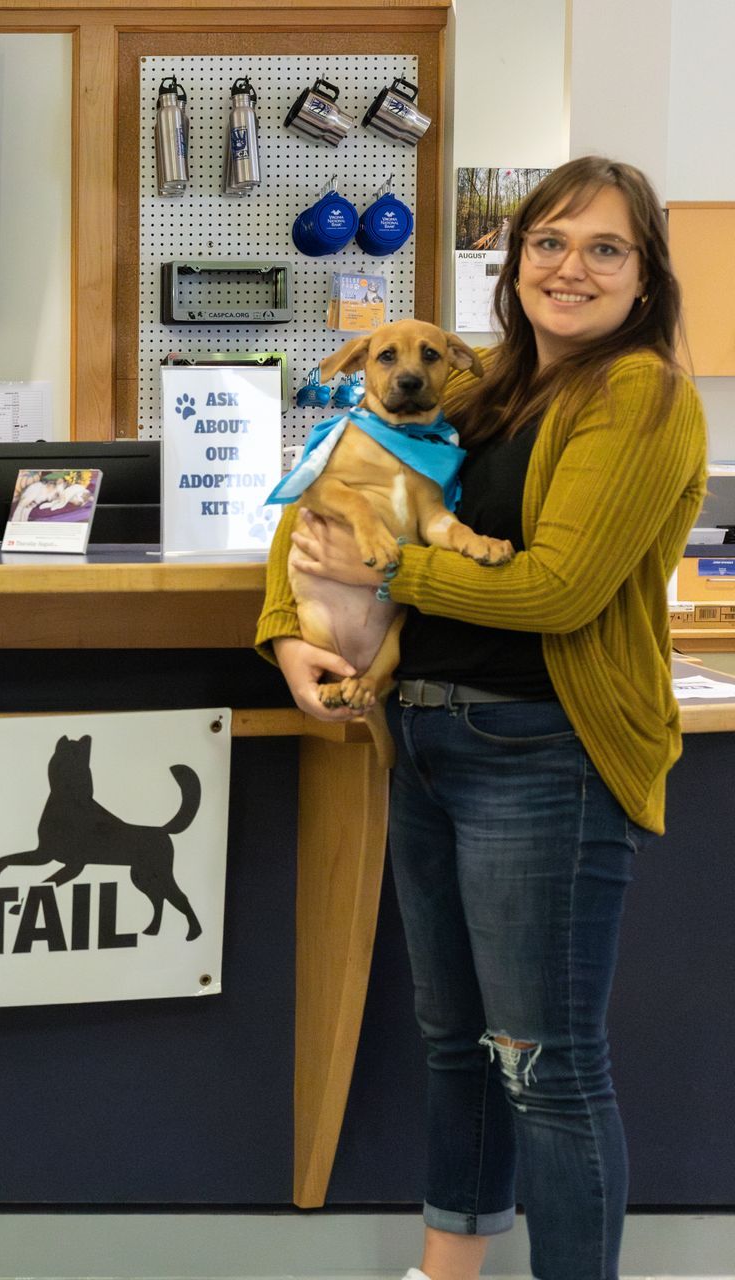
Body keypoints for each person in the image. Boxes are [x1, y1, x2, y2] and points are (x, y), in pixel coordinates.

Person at [260, 156, 706, 1280]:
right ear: (512, 267)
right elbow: (330, 478)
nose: (570, 267)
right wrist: (287, 627)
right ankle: (446, 1271)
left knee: (543, 1062)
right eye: (549, 242)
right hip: (423, 734)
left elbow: (556, 590)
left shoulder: (640, 396)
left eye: (606, 248)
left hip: (543, 749)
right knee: (457, 1045)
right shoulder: (484, 380)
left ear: (646, 277)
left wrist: (397, 569)